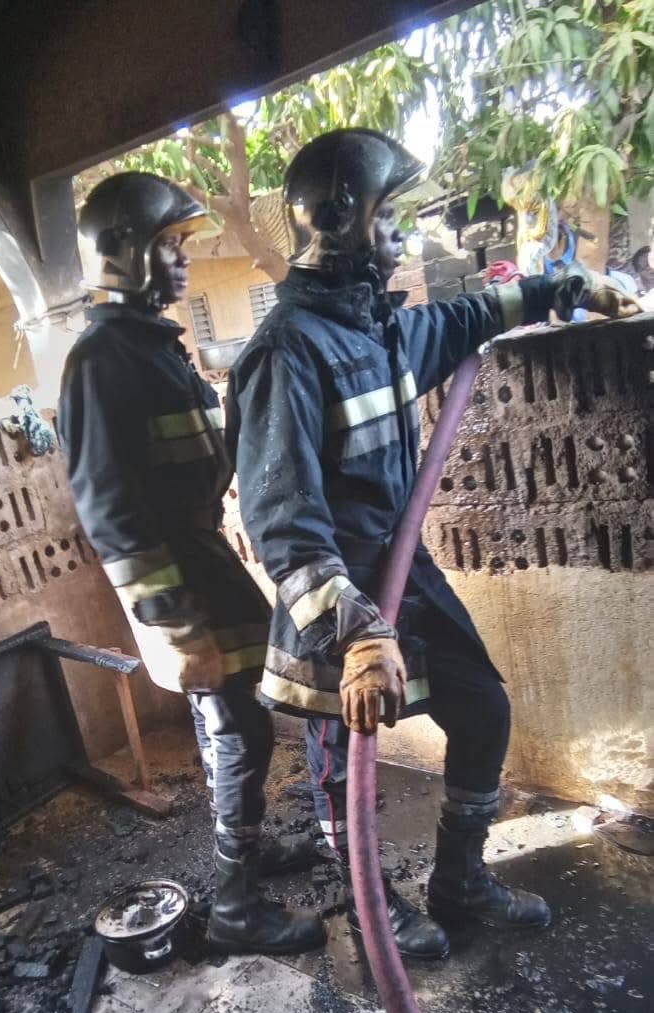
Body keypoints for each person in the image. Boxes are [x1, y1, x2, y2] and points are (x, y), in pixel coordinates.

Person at [226, 128, 641, 962]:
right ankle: (370, 907)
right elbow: (282, 519)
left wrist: (574, 288)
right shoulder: (286, 352)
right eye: (389, 218)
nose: (401, 235)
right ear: (342, 222)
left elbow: (478, 312)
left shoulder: (381, 330)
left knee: (482, 710)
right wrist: (356, 635)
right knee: (346, 767)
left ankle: (458, 882)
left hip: (404, 576)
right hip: (336, 604)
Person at [57, 173, 324, 956]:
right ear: (121, 251)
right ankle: (236, 905)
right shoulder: (101, 361)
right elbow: (108, 508)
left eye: (182, 245)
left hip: (205, 562)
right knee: (239, 728)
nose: (181, 259)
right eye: (168, 245)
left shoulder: (152, 347)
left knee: (235, 723)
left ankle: (249, 854)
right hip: (180, 583)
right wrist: (173, 626)